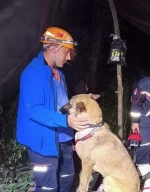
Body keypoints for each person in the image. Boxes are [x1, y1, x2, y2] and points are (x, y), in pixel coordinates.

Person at [16, 27, 90, 192]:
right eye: (66, 52)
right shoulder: (33, 73)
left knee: (67, 177)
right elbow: (34, 110)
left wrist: (71, 132)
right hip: (42, 141)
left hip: (62, 136)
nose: (69, 57)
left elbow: (61, 104)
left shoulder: (58, 73)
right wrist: (66, 120)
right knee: (48, 187)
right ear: (52, 49)